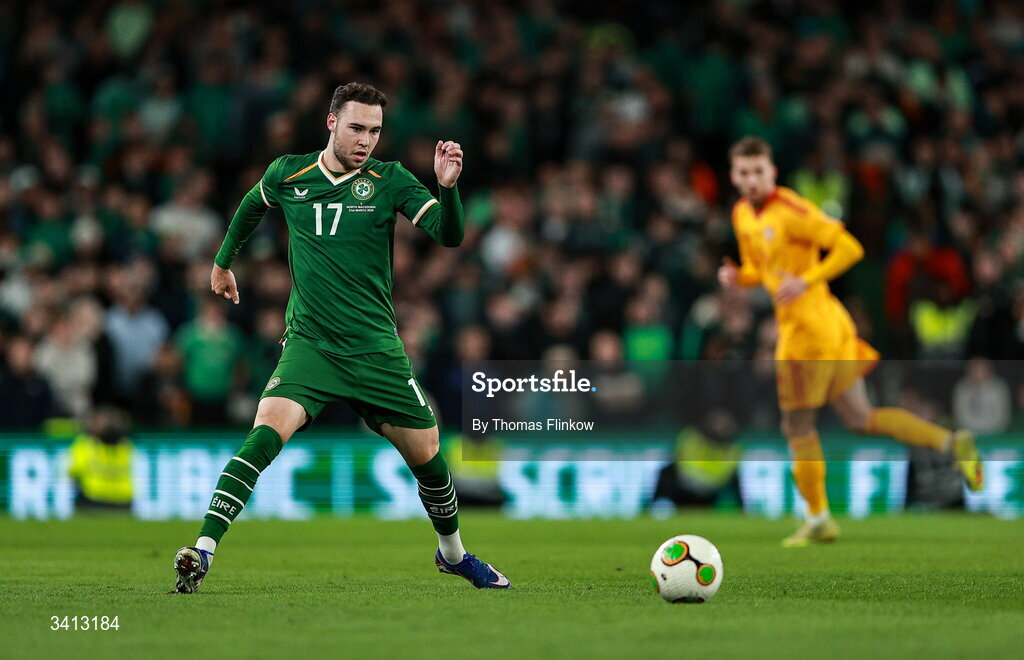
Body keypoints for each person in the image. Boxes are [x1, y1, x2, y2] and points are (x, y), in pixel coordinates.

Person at [170, 82, 510, 592]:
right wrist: (222, 264)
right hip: (311, 344)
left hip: (376, 349)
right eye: (356, 127)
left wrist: (448, 187)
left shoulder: (389, 179)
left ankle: (453, 554)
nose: (365, 140)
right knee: (265, 433)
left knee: (430, 457)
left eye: (374, 130)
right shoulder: (289, 173)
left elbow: (449, 234)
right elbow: (250, 206)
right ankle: (202, 551)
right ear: (331, 122)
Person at [718, 137, 983, 547]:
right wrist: (740, 277)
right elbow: (762, 267)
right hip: (831, 325)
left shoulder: (793, 210)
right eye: (743, 172)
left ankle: (819, 518)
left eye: (758, 171)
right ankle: (950, 442)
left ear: (772, 172)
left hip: (809, 333)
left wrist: (806, 279)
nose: (751, 180)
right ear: (734, 176)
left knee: (796, 426)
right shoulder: (741, 215)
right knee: (862, 418)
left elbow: (850, 247)